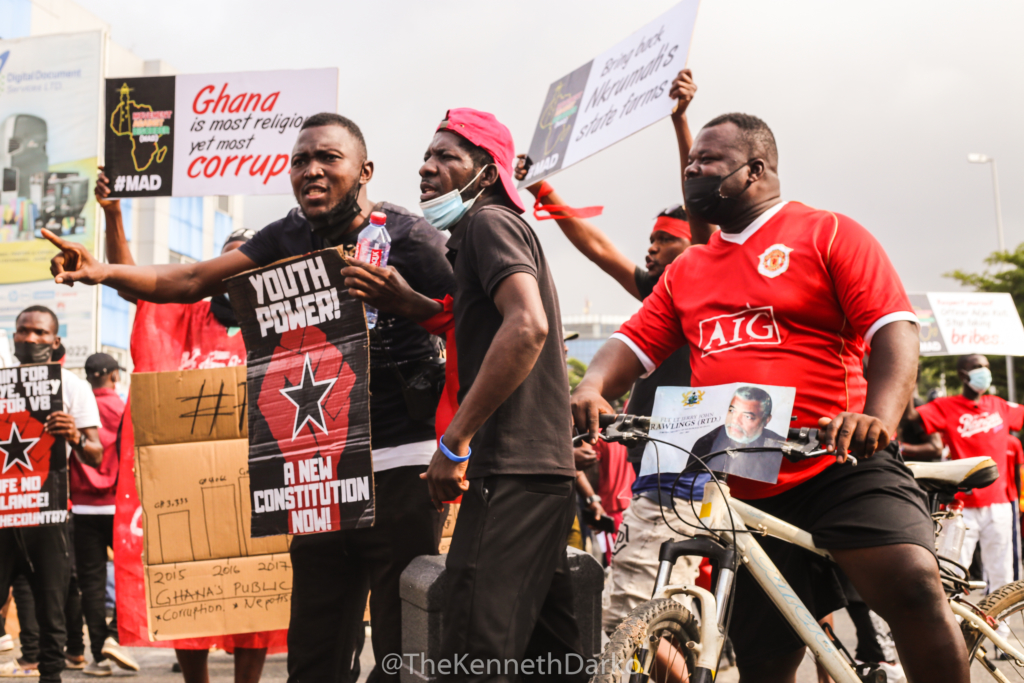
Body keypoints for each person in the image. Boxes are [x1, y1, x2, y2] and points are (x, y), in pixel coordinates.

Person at [570, 112, 969, 682]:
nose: (693, 173)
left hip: (838, 460)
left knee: (910, 584)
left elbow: (893, 328)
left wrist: (876, 418)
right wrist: (590, 386)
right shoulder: (688, 270)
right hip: (743, 481)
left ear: (755, 170)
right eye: (689, 164)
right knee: (763, 657)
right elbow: (632, 342)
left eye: (707, 162)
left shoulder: (829, 232)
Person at [69, 113, 456, 683]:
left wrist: (458, 439)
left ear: (365, 170)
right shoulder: (287, 235)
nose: (312, 171)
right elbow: (193, 280)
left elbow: (471, 324)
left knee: (402, 649)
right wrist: (104, 272)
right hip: (318, 472)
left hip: (400, 464)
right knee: (315, 652)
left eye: (328, 158)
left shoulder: (409, 236)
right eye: (300, 161)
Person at [344, 107, 587, 682]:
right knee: (553, 658)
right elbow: (481, 325)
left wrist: (455, 444)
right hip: (541, 476)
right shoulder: (483, 232)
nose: (427, 168)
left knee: (471, 656)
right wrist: (413, 305)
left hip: (509, 473)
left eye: (447, 156)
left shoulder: (488, 224)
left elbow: (526, 327)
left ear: (486, 172)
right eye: (427, 156)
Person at [514, 69, 713, 642]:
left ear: (693, 245)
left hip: (686, 459)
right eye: (648, 240)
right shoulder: (659, 293)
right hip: (663, 458)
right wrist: (543, 192)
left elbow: (698, 203)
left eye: (663, 241)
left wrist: (679, 122)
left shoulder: (704, 275)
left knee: (629, 614)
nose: (649, 249)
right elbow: (595, 245)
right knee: (656, 614)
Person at [95, 169, 281, 683]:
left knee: (254, 604)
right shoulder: (180, 316)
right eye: (228, 260)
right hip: (186, 486)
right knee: (188, 602)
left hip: (253, 486)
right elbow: (130, 284)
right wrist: (114, 212)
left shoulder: (282, 328)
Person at [0, 306, 103, 682]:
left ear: (56, 341)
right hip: (3, 510)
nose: (31, 339)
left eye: (41, 333)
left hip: (49, 511)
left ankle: (51, 675)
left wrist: (73, 435)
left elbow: (97, 452)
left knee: (51, 602)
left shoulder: (73, 387)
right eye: (24, 332)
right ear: (13, 337)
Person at [905, 354, 1024, 593]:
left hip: (1000, 505)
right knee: (952, 573)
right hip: (961, 506)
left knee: (1004, 573)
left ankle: (1000, 631)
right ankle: (955, 628)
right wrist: (908, 376)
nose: (984, 371)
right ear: (963, 375)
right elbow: (910, 416)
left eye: (986, 367)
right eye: (977, 367)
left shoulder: (1000, 405)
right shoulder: (945, 406)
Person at [72, 352, 137, 676]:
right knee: (131, 572)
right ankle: (115, 635)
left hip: (82, 505)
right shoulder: (123, 407)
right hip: (120, 504)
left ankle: (98, 657)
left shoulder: (77, 408)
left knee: (91, 583)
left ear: (88, 377)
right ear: (113, 376)